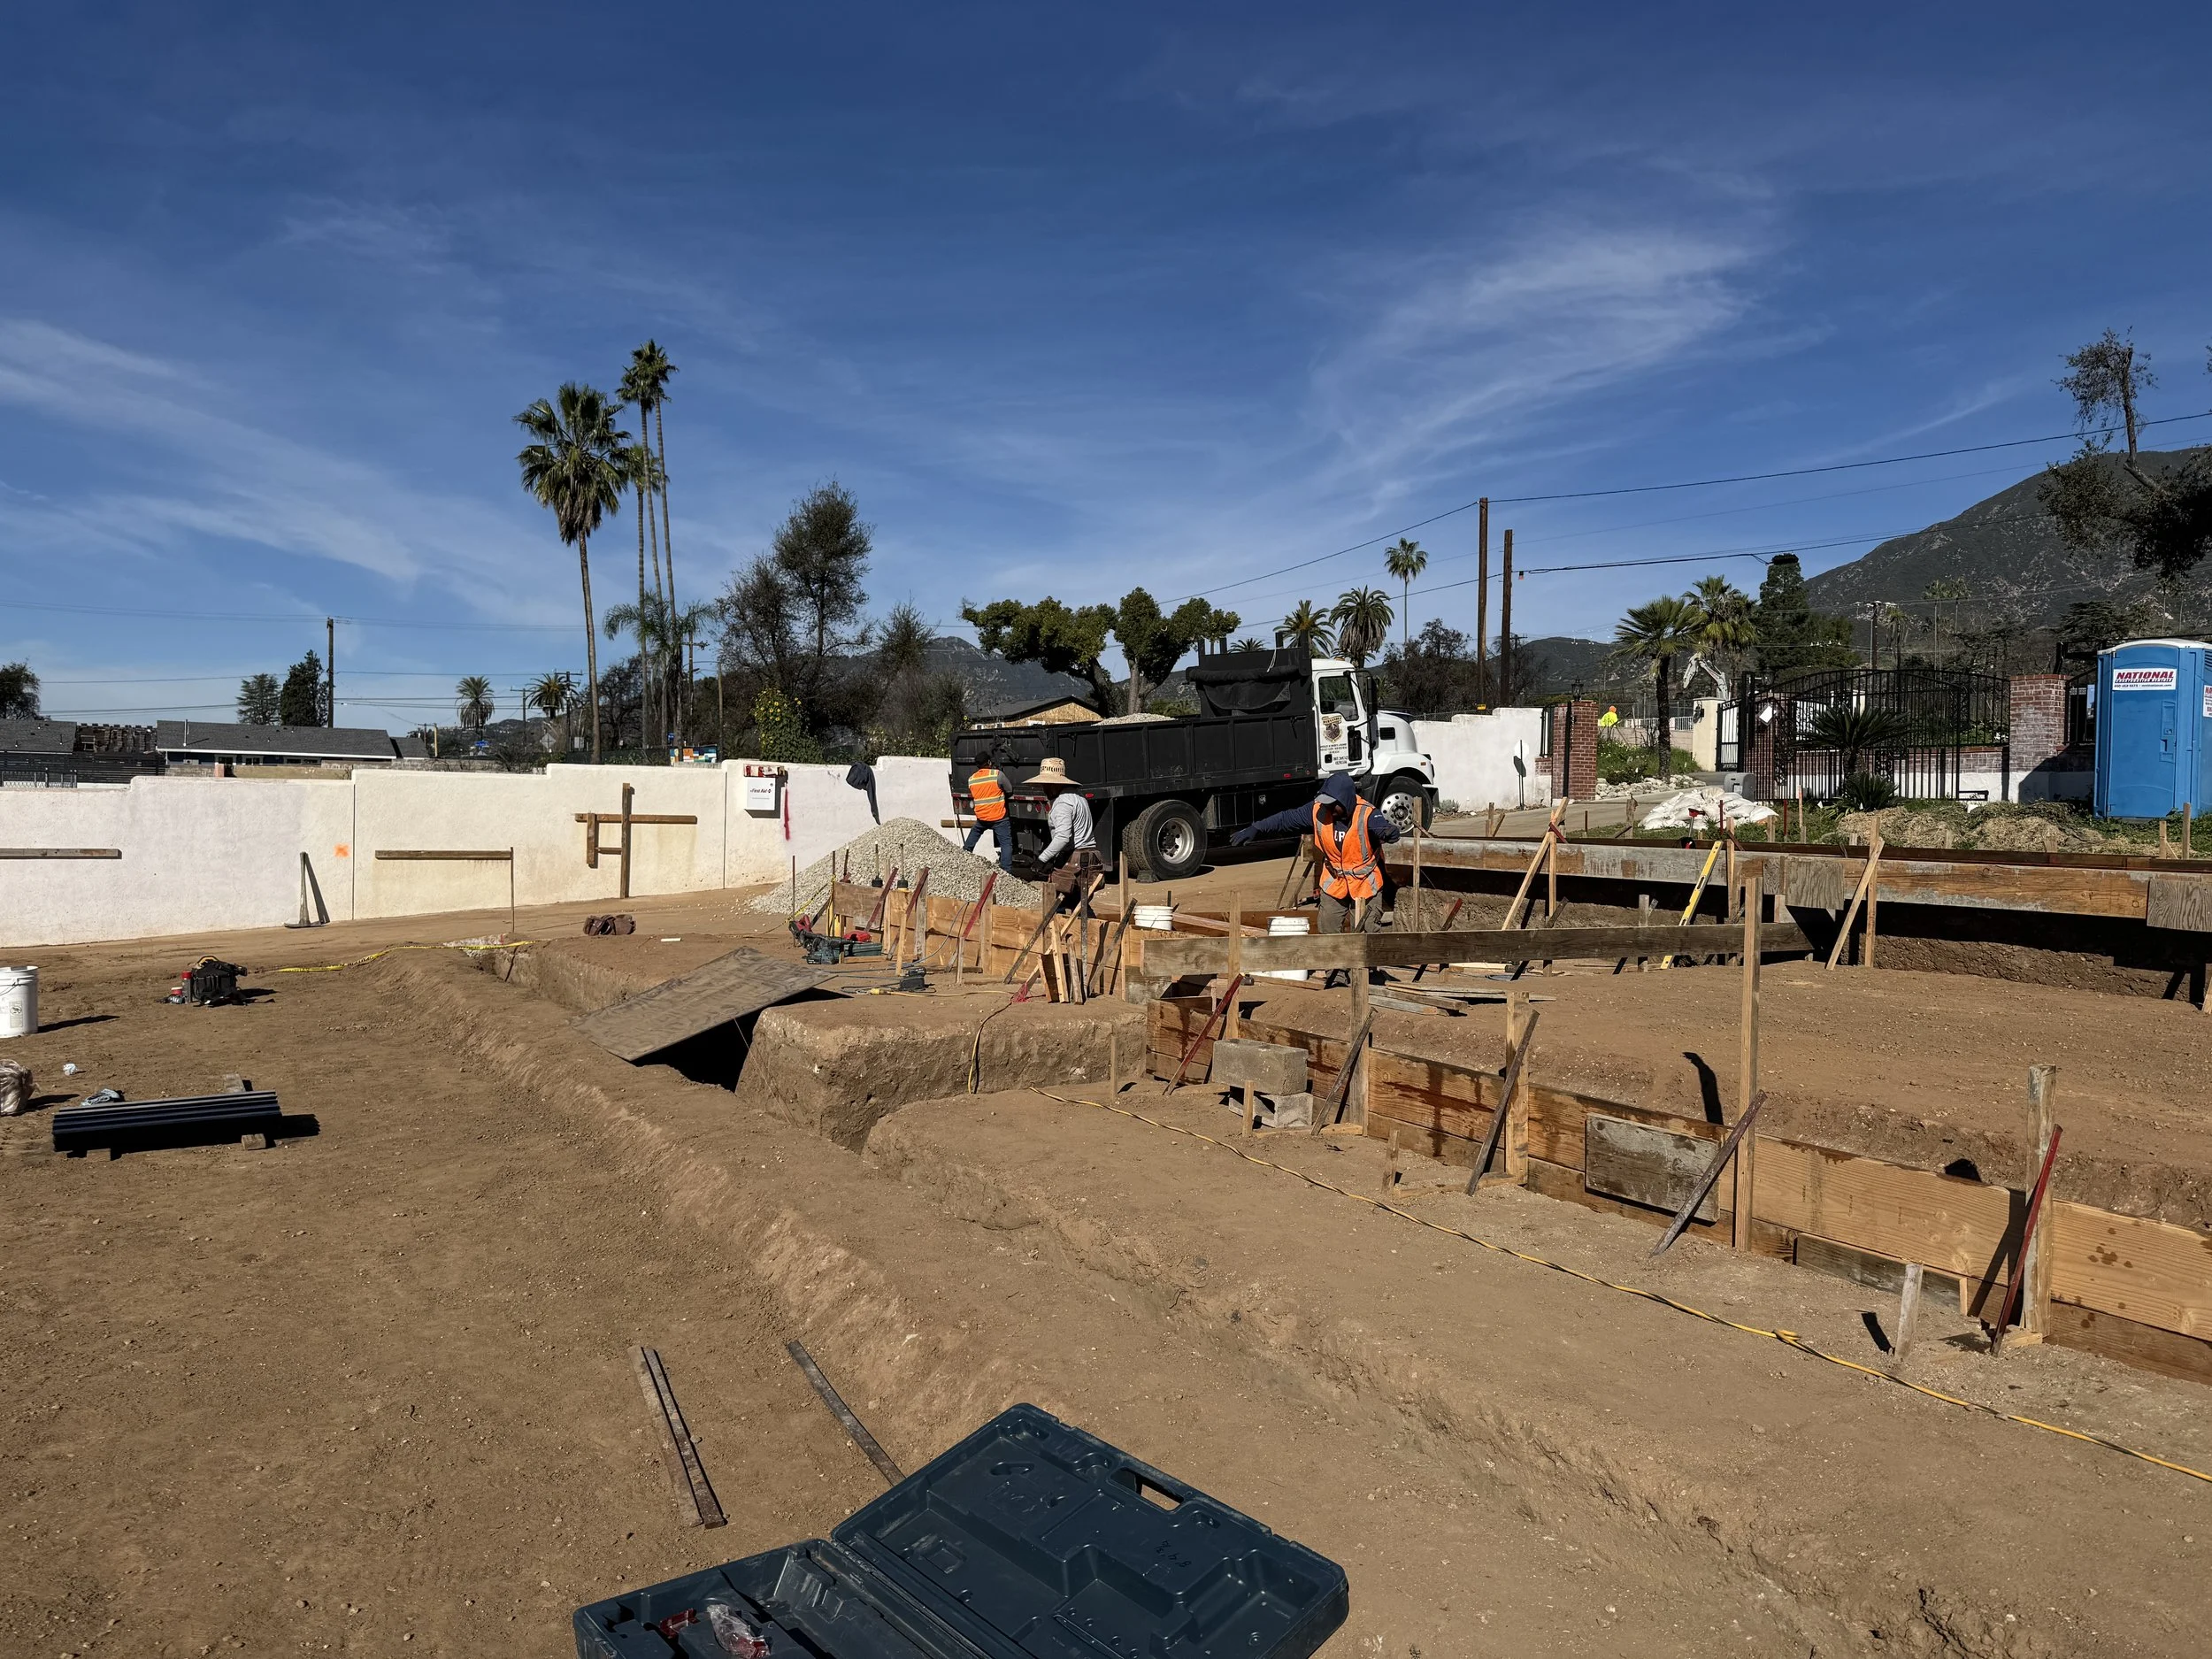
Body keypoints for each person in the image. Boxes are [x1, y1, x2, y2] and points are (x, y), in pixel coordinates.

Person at [1231, 772, 1401, 940]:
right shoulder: (1318, 811)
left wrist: (1388, 832)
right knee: (1328, 934)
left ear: (1347, 801)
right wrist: (1257, 828)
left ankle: (1369, 968)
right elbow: (1286, 819)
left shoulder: (1368, 814)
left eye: (1334, 804)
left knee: (1367, 937)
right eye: (1326, 803)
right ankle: (1336, 968)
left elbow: (1382, 828)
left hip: (1365, 884)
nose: (1329, 808)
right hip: (1335, 883)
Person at [1027, 756, 1101, 909]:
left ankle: (1061, 932)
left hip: (1076, 859)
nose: (1044, 789)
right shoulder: (1078, 797)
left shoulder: (1062, 803)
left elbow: (1063, 837)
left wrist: (1042, 860)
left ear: (1054, 785)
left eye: (1045, 785)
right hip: (1088, 855)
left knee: (1063, 904)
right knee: (1079, 906)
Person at [961, 747, 1013, 872]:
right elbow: (1009, 789)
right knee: (1006, 844)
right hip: (998, 817)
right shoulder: (997, 775)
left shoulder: (971, 780)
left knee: (975, 833)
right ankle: (1006, 871)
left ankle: (964, 855)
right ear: (989, 762)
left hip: (982, 817)